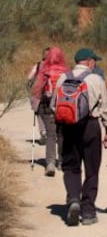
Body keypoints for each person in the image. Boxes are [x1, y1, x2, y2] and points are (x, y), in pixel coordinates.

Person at [50, 47, 107, 226]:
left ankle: (73, 200)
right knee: (92, 170)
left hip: (69, 128)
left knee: (71, 167)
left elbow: (55, 105)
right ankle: (88, 212)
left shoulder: (63, 77)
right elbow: (105, 109)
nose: (95, 64)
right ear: (89, 61)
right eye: (94, 61)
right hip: (91, 127)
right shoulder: (96, 79)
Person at [30, 46, 68, 176]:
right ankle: (62, 162)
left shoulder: (44, 71)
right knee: (62, 135)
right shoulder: (66, 72)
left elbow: (36, 90)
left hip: (47, 107)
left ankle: (50, 163)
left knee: (51, 135)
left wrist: (36, 106)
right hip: (63, 108)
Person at [28, 47, 50, 145]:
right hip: (49, 93)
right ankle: (51, 134)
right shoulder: (53, 67)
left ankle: (43, 133)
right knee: (49, 113)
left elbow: (29, 77)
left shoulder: (37, 65)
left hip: (37, 93)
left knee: (39, 113)